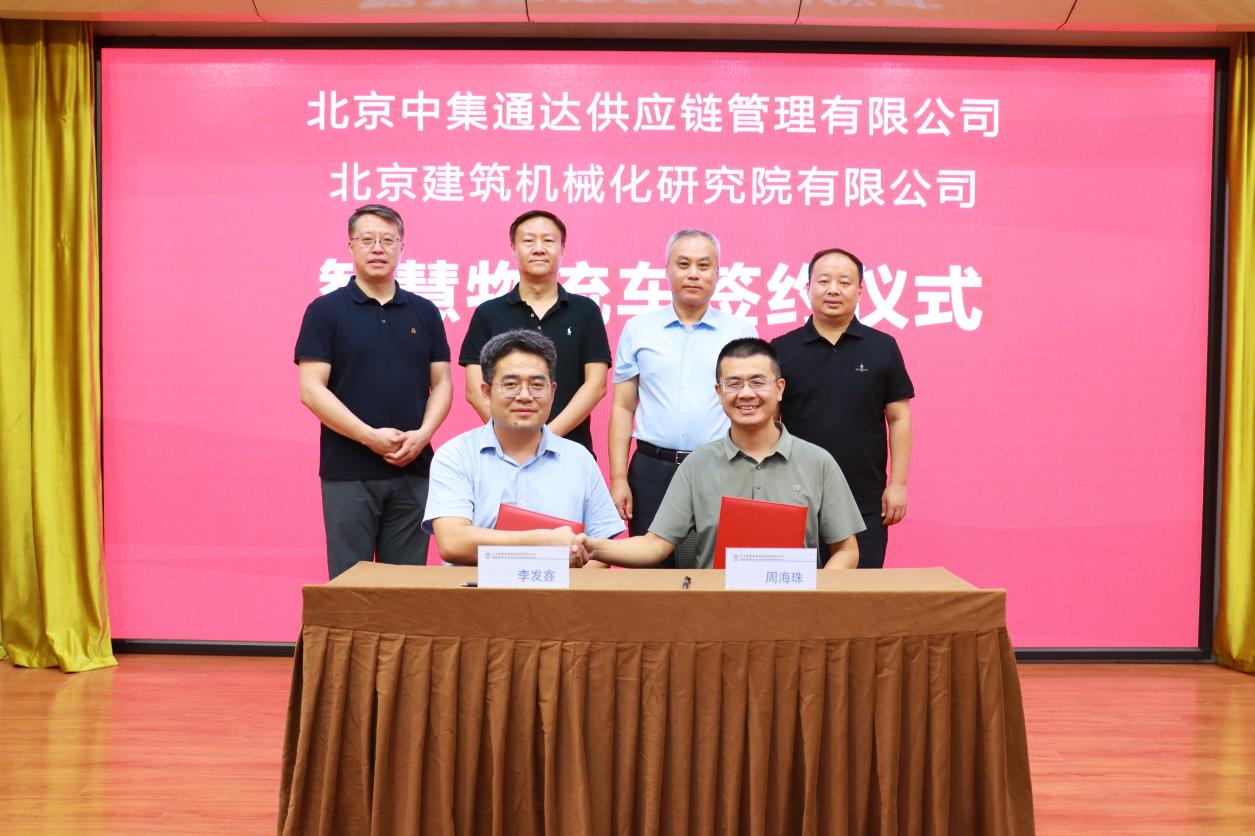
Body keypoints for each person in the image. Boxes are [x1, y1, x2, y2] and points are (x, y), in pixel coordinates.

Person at [577, 338, 863, 570]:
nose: (746, 394)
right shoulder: (697, 465)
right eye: (734, 384)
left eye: (758, 382)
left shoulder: (817, 462)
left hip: (795, 611)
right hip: (715, 614)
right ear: (719, 392)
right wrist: (593, 547)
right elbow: (654, 545)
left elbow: (846, 551)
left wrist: (814, 597)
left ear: (779, 389)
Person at [295, 204, 453, 578]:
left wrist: (423, 435)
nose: (378, 248)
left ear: (401, 247)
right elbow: (311, 389)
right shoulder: (326, 310)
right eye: (367, 239)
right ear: (350, 246)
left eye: (387, 240)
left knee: (406, 586)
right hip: (348, 472)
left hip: (413, 467)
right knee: (350, 583)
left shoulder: (424, 311)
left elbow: (443, 382)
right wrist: (369, 437)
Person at [607, 229, 756, 568]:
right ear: (667, 269)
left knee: (720, 569)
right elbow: (623, 407)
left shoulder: (740, 332)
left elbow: (753, 408)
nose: (693, 274)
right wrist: (618, 479)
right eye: (683, 264)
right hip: (651, 469)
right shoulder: (639, 328)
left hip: (721, 467)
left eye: (704, 265)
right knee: (650, 571)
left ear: (717, 273)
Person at [423, 330, 623, 565]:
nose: (525, 396)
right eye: (511, 384)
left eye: (537, 385)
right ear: (486, 392)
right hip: (474, 588)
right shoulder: (456, 455)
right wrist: (543, 542)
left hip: (563, 589)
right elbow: (453, 543)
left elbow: (599, 553)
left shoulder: (580, 459)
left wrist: (566, 584)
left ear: (552, 391)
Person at [771, 248, 914, 569]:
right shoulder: (781, 349)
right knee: (792, 592)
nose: (833, 290)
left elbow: (899, 418)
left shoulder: (883, 347)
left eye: (844, 282)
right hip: (793, 498)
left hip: (863, 500)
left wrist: (898, 485)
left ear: (860, 291)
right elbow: (768, 423)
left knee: (858, 594)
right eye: (823, 281)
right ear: (807, 288)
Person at [459, 210, 611, 455]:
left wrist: (547, 439)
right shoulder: (488, 313)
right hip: (503, 452)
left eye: (548, 240)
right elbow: (475, 389)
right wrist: (512, 436)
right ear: (513, 248)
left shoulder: (586, 311)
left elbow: (596, 385)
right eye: (528, 241)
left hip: (571, 451)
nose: (539, 249)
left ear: (562, 248)